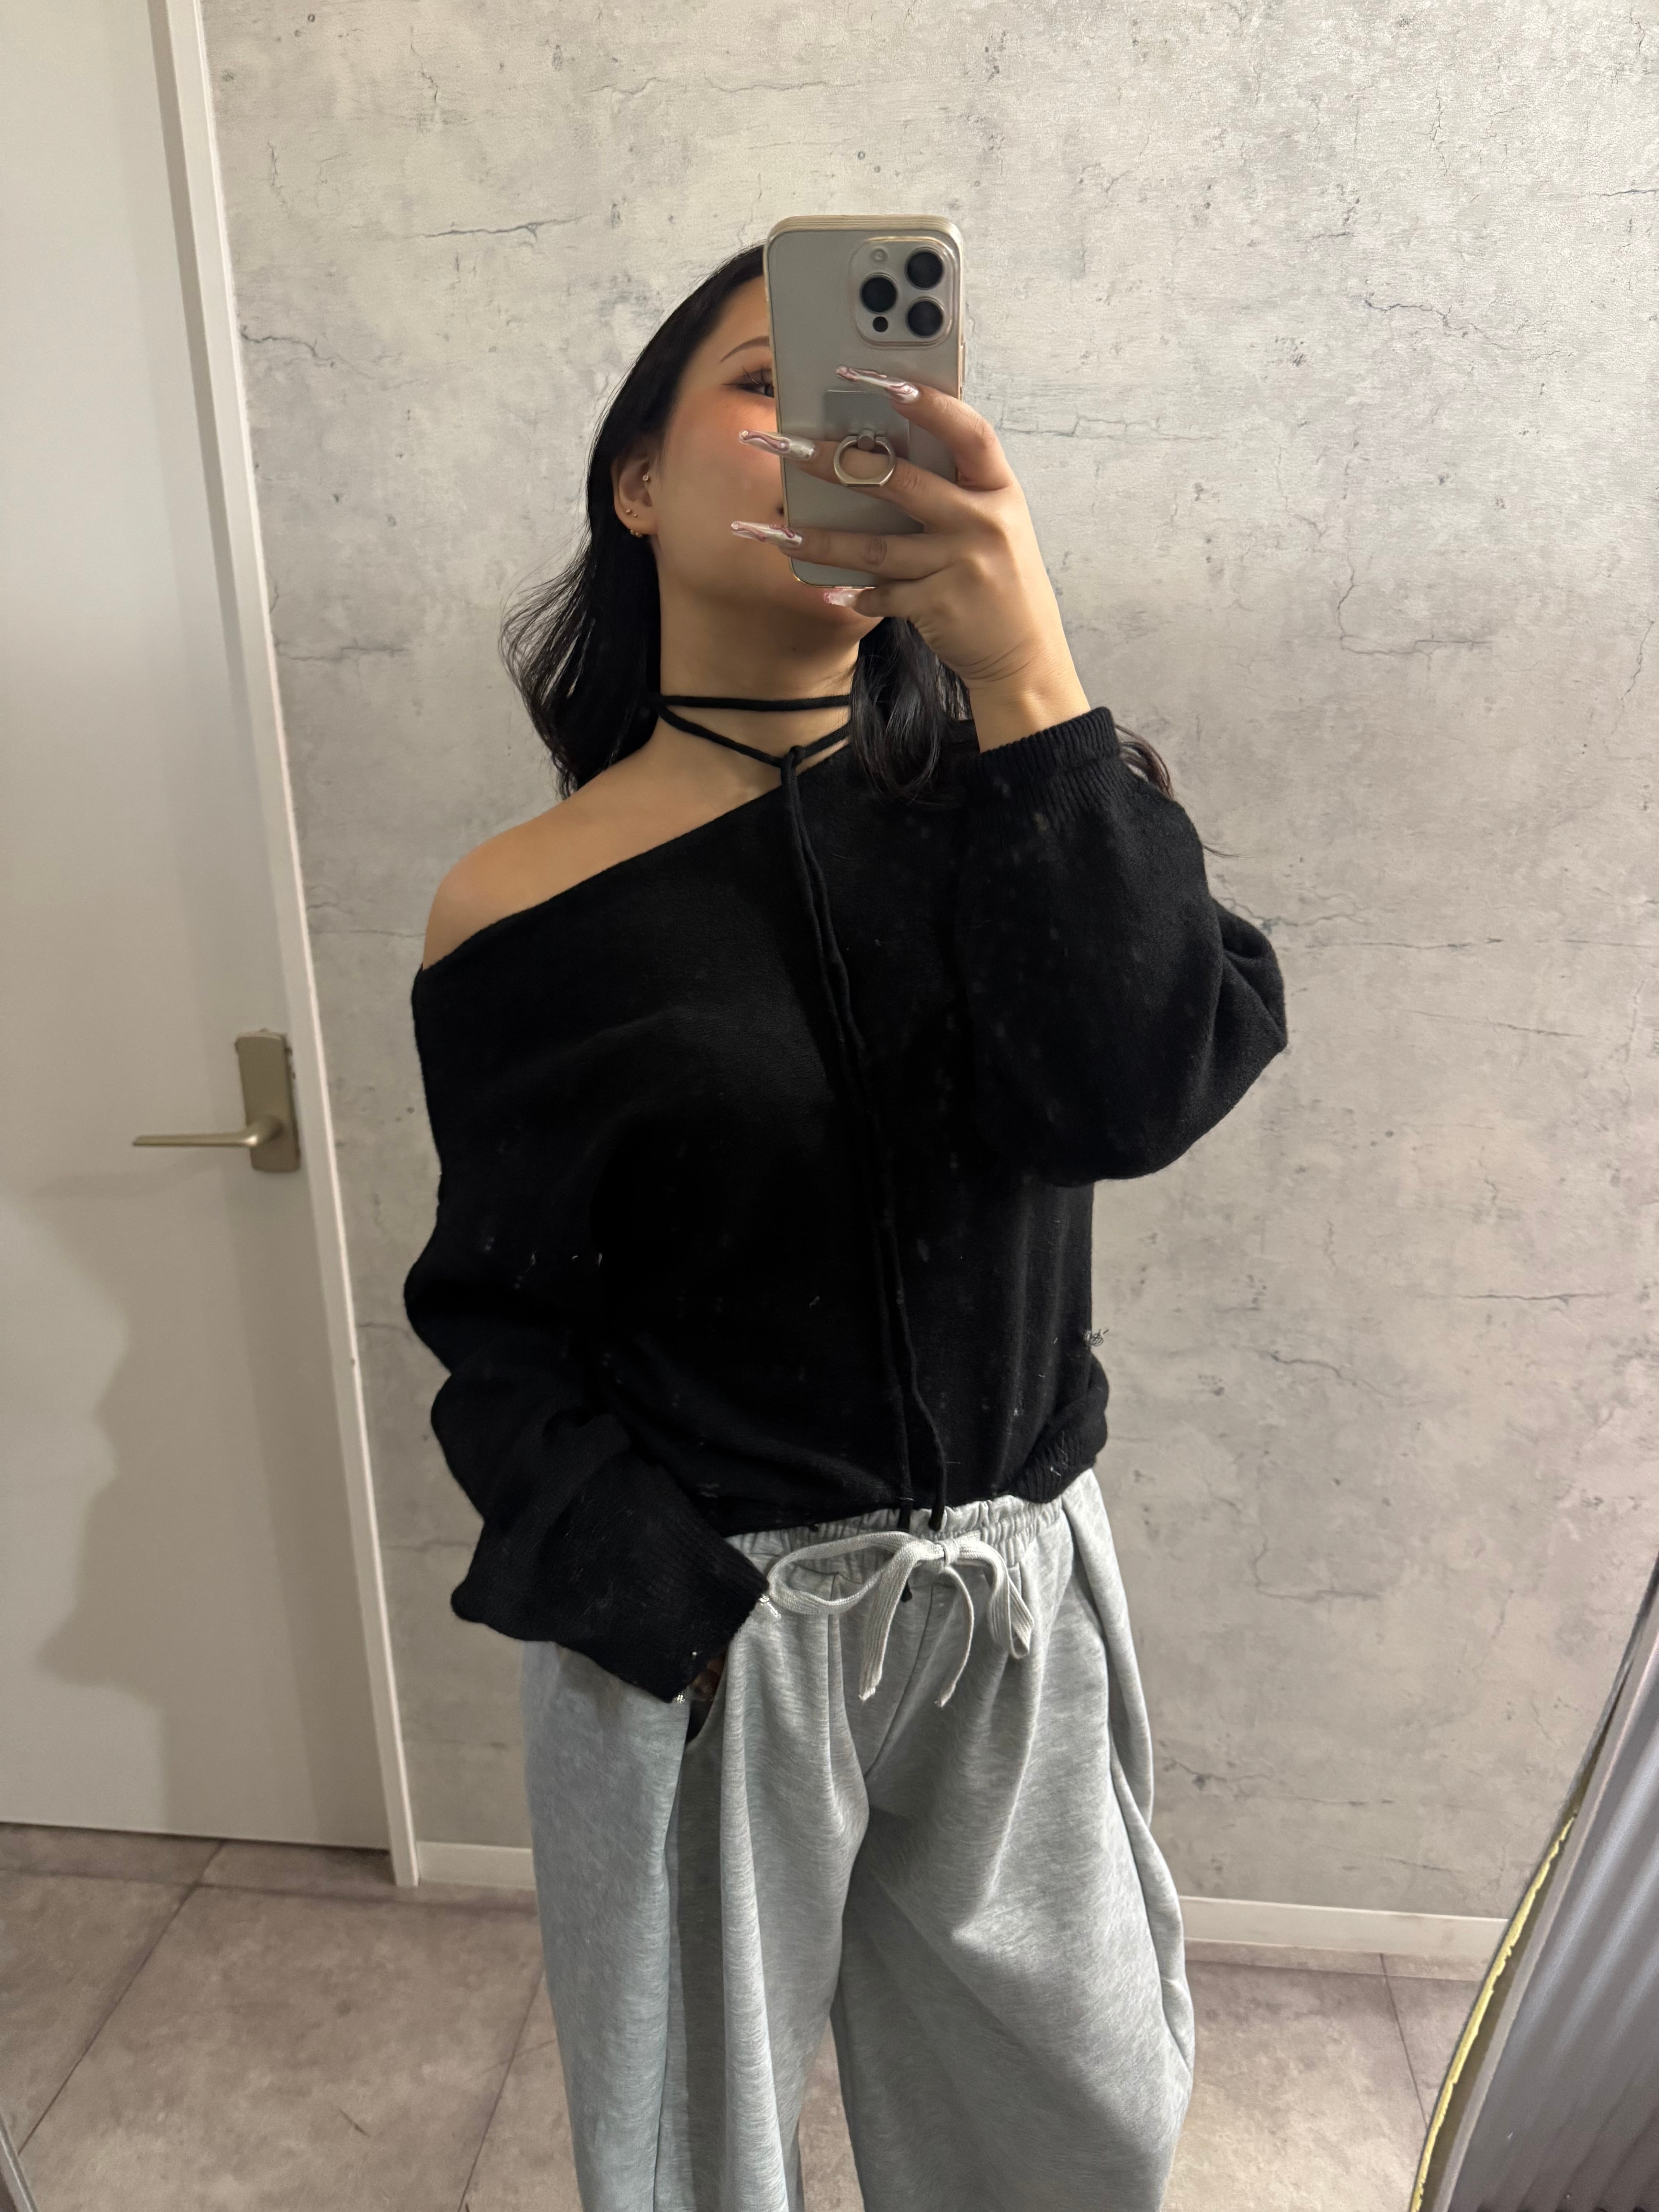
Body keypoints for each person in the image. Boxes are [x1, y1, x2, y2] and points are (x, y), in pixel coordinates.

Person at [403, 242, 1288, 2212]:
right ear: (637, 480)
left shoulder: (1035, 805)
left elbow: (1134, 1097)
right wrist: (656, 1604)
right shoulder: (521, 906)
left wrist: (1030, 675)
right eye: (763, 384)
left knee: (1077, 2132)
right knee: (689, 2165)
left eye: (872, 401)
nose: (829, 432)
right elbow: (496, 1320)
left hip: (1011, 1605)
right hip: (708, 1630)